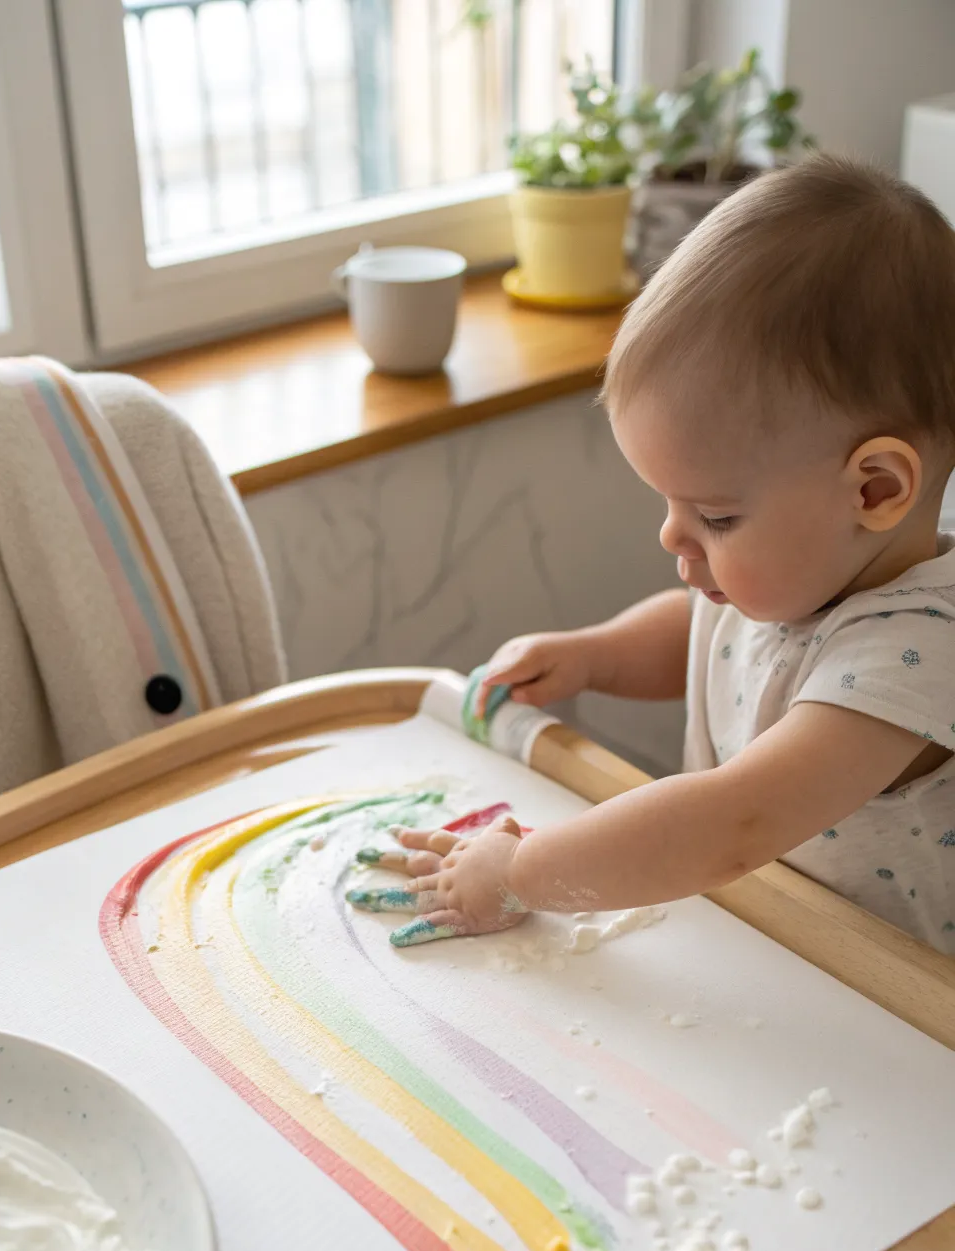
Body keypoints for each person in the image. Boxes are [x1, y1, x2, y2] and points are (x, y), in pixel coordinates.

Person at [351, 155, 955, 954]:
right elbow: (705, 638)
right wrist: (594, 657)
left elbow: (731, 823)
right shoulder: (797, 577)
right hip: (774, 946)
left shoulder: (919, 655)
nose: (673, 536)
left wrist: (519, 872)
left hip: (905, 1015)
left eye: (714, 515)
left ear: (874, 490)